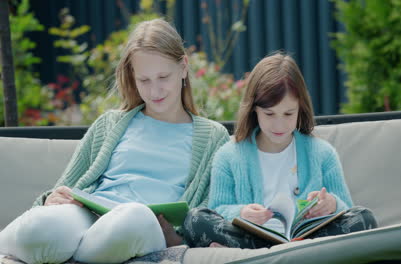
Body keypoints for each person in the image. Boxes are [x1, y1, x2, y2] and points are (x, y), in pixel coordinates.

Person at [0, 18, 229, 263]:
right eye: (144, 80)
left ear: (183, 67)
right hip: (90, 217)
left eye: (163, 77)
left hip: (143, 226)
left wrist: (175, 238)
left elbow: (208, 212)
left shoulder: (213, 137)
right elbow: (66, 185)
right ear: (133, 76)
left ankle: (70, 256)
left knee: (133, 217)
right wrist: (51, 200)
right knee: (40, 226)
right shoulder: (109, 124)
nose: (155, 91)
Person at [183, 53, 377, 249]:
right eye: (269, 114)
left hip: (307, 241)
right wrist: (242, 213)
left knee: (364, 218)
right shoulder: (228, 156)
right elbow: (218, 209)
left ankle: (279, 255)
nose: (279, 124)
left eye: (288, 113)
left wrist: (332, 204)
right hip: (254, 239)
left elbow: (348, 209)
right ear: (254, 109)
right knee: (195, 219)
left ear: (300, 108)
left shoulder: (323, 153)